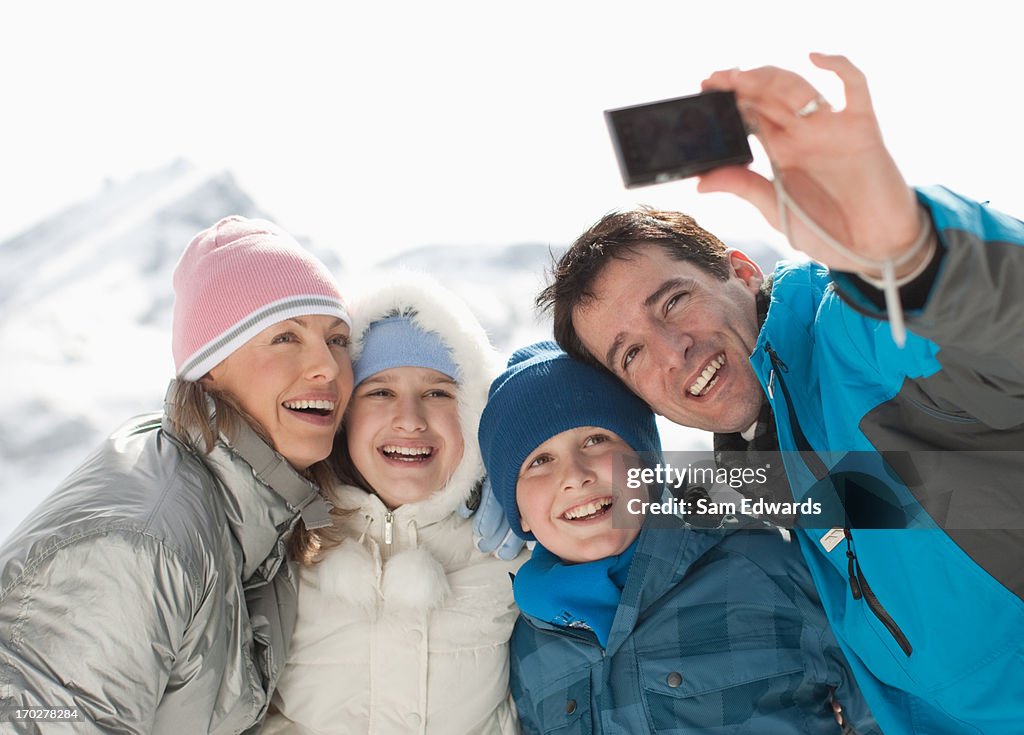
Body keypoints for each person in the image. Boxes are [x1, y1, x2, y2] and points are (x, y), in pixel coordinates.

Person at [531, 54, 1024, 733]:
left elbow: (998, 333)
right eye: (632, 353)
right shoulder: (755, 472)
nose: (673, 352)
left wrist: (906, 254)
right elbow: (644, 494)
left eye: (674, 301)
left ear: (739, 270)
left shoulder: (853, 333)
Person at [0, 216, 353, 732]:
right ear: (208, 368)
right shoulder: (140, 544)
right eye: (285, 337)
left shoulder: (256, 513)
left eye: (338, 339)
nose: (326, 365)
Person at [477, 342, 878, 734]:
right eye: (539, 462)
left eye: (596, 440)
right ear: (520, 515)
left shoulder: (763, 562)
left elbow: (894, 707)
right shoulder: (527, 642)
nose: (575, 475)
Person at [262, 275, 525, 735]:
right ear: (343, 414)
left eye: (438, 393)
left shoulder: (513, 540)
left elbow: (658, 499)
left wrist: (527, 474)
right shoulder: (283, 535)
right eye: (380, 392)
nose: (409, 419)